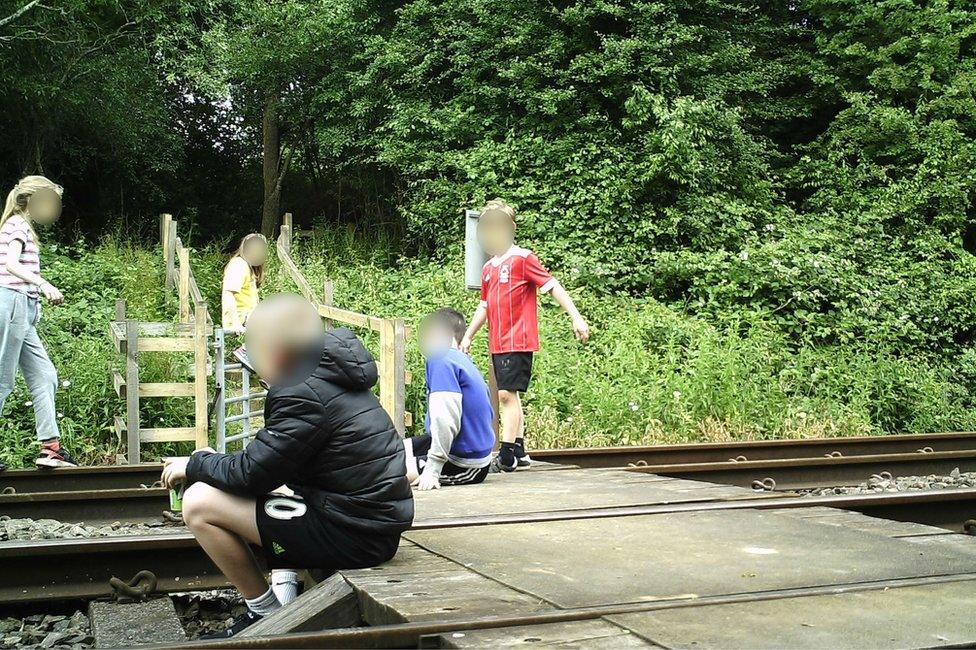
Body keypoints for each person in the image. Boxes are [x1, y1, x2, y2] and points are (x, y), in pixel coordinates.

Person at [161, 294, 414, 638]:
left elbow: (250, 474)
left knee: (199, 502)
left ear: (276, 350)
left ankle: (264, 614)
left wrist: (196, 464)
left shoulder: (300, 391)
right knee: (272, 489)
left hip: (355, 535)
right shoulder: (329, 374)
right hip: (368, 524)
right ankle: (285, 585)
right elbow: (272, 464)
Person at [460, 199, 589, 472]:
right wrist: (469, 335)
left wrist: (576, 317)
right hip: (497, 339)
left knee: (506, 395)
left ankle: (506, 456)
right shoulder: (488, 268)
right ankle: (519, 450)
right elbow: (484, 305)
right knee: (510, 394)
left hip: (518, 337)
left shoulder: (523, 258)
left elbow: (553, 286)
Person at [0, 176, 74, 469]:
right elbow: (10, 263)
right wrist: (43, 284)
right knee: (2, 381)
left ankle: (51, 449)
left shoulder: (23, 226)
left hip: (24, 310)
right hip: (12, 302)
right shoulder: (16, 224)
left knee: (45, 376)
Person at [404, 308, 494, 490]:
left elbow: (444, 418)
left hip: (464, 463)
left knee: (381, 471)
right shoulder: (460, 359)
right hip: (456, 445)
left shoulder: (441, 360)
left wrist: (433, 468)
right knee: (387, 449)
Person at [221, 233, 268, 334]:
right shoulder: (239, 265)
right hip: (242, 319)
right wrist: (236, 323)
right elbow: (228, 294)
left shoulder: (249, 267)